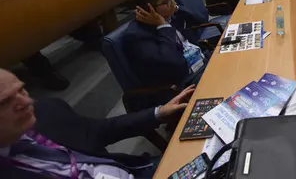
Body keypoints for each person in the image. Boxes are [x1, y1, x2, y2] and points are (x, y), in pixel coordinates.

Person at [0, 68, 194, 178]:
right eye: (6, 102)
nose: (26, 102)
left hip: (138, 171)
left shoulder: (48, 110)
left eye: (22, 90)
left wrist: (158, 113)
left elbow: (98, 130)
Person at [124, 0, 210, 94]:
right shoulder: (137, 35)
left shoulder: (170, 14)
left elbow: (201, 20)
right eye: (167, 1)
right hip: (187, 80)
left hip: (202, 60)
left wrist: (177, 9)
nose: (173, 3)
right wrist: (163, 26)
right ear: (150, 9)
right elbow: (172, 62)